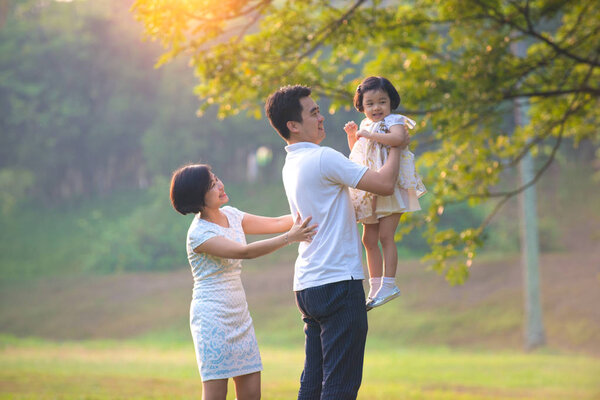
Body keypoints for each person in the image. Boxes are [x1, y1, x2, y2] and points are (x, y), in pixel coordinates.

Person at [265, 85, 409, 400]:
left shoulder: (292, 165)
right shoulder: (323, 158)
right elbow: (385, 184)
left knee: (313, 383)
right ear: (293, 125)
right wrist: (398, 145)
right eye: (313, 112)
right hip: (338, 284)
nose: (321, 117)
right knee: (340, 387)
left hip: (307, 285)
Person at [169, 163, 317, 400]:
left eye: (217, 178)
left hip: (239, 314)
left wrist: (321, 209)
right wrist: (290, 238)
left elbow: (278, 222)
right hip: (212, 318)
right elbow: (244, 252)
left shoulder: (232, 215)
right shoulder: (199, 234)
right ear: (198, 196)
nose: (220, 185)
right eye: (212, 184)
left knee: (251, 394)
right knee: (216, 393)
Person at [344, 76, 427, 310]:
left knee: (385, 236)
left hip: (392, 186)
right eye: (370, 104)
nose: (376, 108)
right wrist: (354, 136)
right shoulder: (366, 125)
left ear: (391, 102)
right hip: (372, 188)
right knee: (367, 239)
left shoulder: (394, 120)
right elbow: (360, 153)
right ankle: (376, 285)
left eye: (382, 101)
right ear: (362, 106)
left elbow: (398, 139)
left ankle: (390, 284)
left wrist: (368, 134)